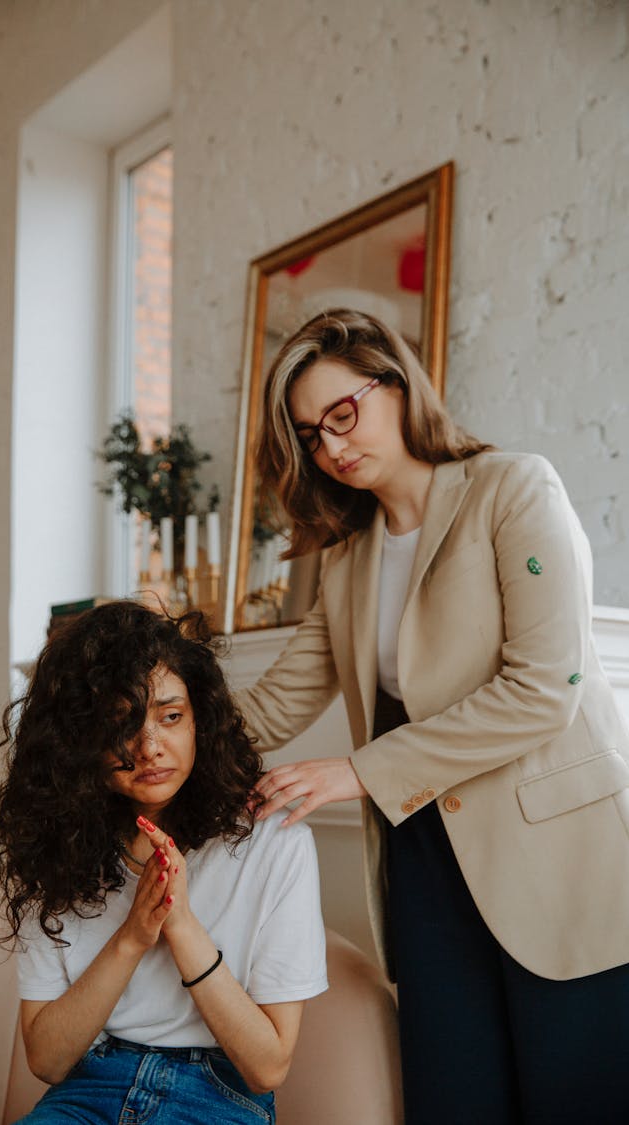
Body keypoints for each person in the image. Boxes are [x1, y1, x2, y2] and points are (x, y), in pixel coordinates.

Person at [236, 307, 629, 1124]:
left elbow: (544, 687)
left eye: (343, 413)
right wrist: (143, 731)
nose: (332, 445)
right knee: (453, 1102)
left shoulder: (513, 487)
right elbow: (272, 704)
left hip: (560, 863)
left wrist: (357, 770)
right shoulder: (346, 561)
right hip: (423, 864)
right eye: (311, 435)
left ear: (396, 381)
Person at [0, 600, 327, 1125]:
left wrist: (181, 925)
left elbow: (267, 1068)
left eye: (171, 717)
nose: (150, 748)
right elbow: (48, 1061)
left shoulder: (275, 843)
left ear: (200, 721)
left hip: (219, 1093)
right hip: (88, 1089)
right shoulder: (53, 847)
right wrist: (132, 937)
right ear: (78, 741)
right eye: (120, 724)